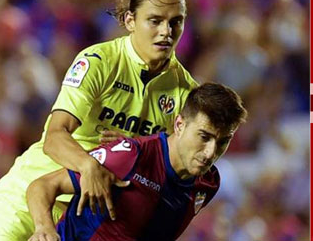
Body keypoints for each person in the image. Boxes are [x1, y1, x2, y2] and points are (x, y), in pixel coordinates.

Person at [0, 0, 198, 241]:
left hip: (88, 219)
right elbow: (55, 137)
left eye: (176, 22)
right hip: (27, 196)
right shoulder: (98, 62)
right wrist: (89, 165)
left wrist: (138, 150)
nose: (166, 32)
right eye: (155, 21)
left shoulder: (186, 94)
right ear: (130, 20)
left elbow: (173, 175)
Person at [26, 83, 247, 241]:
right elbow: (43, 186)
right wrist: (44, 229)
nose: (210, 153)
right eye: (204, 137)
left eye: (222, 142)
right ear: (179, 125)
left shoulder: (208, 184)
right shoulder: (130, 156)